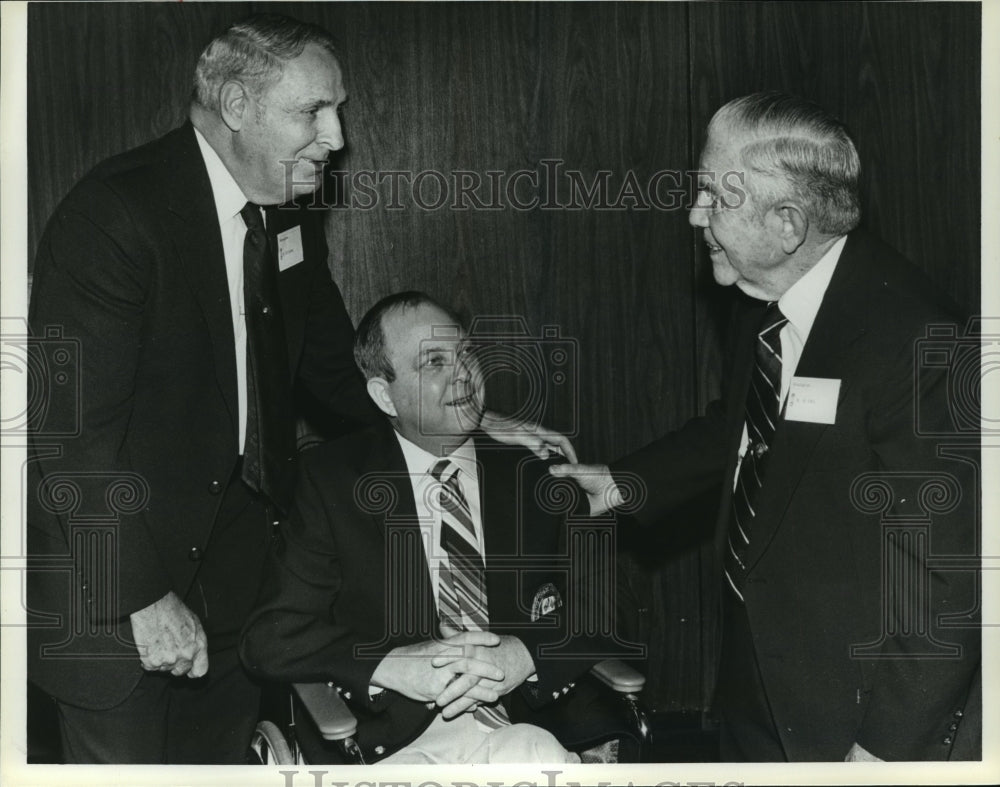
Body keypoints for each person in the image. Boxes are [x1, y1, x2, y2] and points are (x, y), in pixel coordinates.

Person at [26, 14, 571, 764]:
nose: (338, 135)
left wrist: (473, 422)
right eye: (313, 111)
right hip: (117, 585)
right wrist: (140, 597)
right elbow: (71, 430)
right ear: (236, 106)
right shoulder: (116, 214)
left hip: (231, 582)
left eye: (338, 108)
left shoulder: (287, 218)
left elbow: (335, 378)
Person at [551, 91, 980, 761]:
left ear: (787, 222)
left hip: (858, 708)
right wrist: (624, 480)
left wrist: (885, 750)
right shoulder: (765, 296)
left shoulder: (917, 343)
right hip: (759, 674)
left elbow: (948, 580)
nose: (694, 214)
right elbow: (746, 426)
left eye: (716, 199)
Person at [240, 291, 624, 764]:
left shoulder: (530, 473)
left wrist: (525, 655)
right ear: (385, 394)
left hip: (526, 724)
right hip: (392, 742)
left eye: (466, 354)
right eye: (434, 362)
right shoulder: (332, 481)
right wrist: (391, 665)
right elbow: (269, 637)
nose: (462, 374)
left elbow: (608, 606)